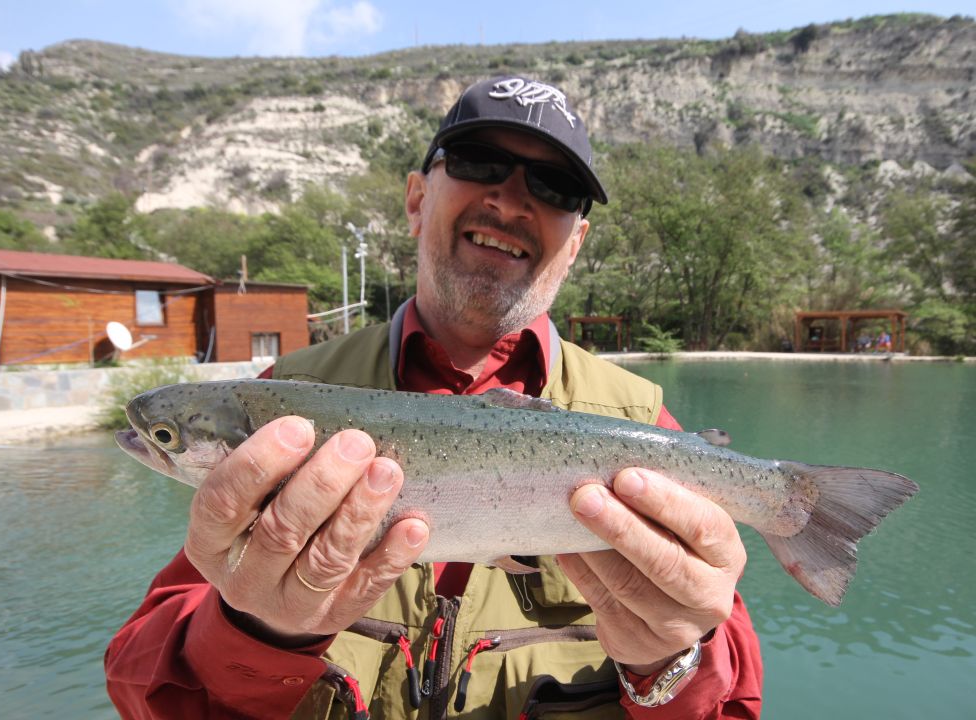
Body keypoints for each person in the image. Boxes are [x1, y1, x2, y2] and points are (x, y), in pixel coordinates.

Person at [106, 76, 762, 719]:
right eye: (480, 163)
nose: (510, 200)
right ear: (417, 199)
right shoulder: (283, 402)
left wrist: (670, 664)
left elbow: (731, 703)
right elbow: (146, 687)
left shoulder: (642, 422)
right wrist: (255, 633)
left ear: (576, 245)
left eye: (553, 187)